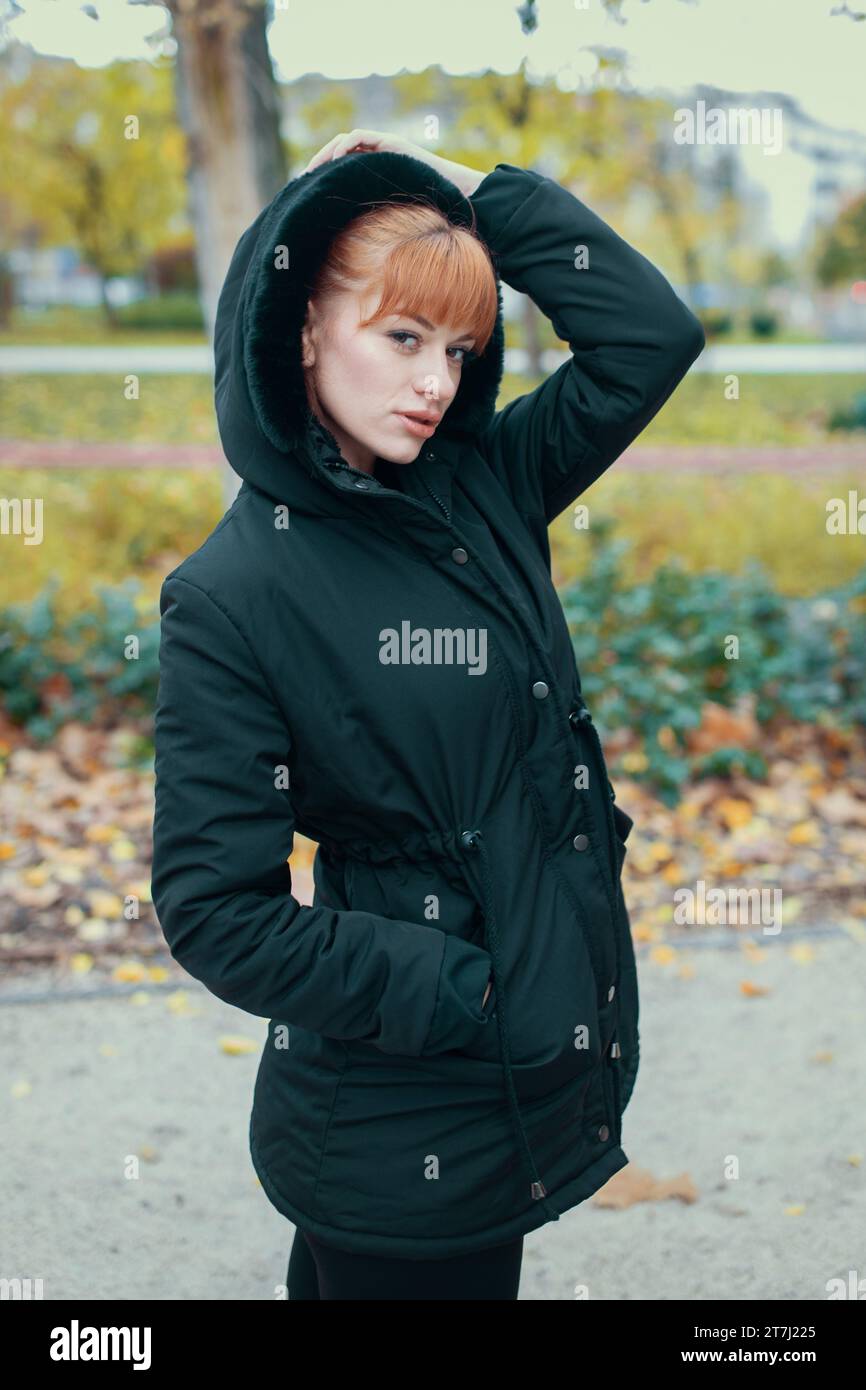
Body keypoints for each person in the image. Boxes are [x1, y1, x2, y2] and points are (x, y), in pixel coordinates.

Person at [151, 128, 705, 1300]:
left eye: (458, 346)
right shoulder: (234, 592)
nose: (436, 382)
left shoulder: (484, 488)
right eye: (400, 337)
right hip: (397, 1103)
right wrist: (471, 992)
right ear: (304, 326)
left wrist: (461, 189)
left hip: (504, 1081)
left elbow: (649, 336)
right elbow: (215, 911)